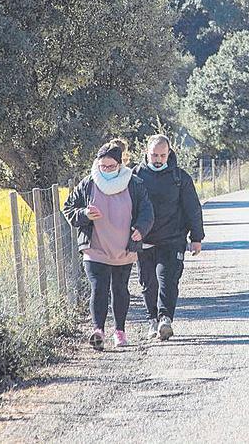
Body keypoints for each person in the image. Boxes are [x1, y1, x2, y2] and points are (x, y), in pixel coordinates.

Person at [63, 139, 153, 350]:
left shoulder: (134, 183)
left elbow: (147, 212)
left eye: (111, 166)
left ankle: (119, 331)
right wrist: (84, 214)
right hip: (95, 248)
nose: (106, 170)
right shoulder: (88, 183)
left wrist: (141, 228)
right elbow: (68, 209)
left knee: (120, 289)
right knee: (98, 288)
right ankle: (98, 331)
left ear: (120, 165)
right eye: (103, 166)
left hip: (124, 248)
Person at [134, 134, 204, 341]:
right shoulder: (135, 176)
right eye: (154, 154)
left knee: (168, 280)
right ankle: (152, 321)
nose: (158, 159)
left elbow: (193, 208)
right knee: (148, 283)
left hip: (173, 240)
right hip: (144, 240)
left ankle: (165, 319)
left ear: (169, 153)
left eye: (162, 155)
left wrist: (197, 237)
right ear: (147, 153)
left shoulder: (180, 178)